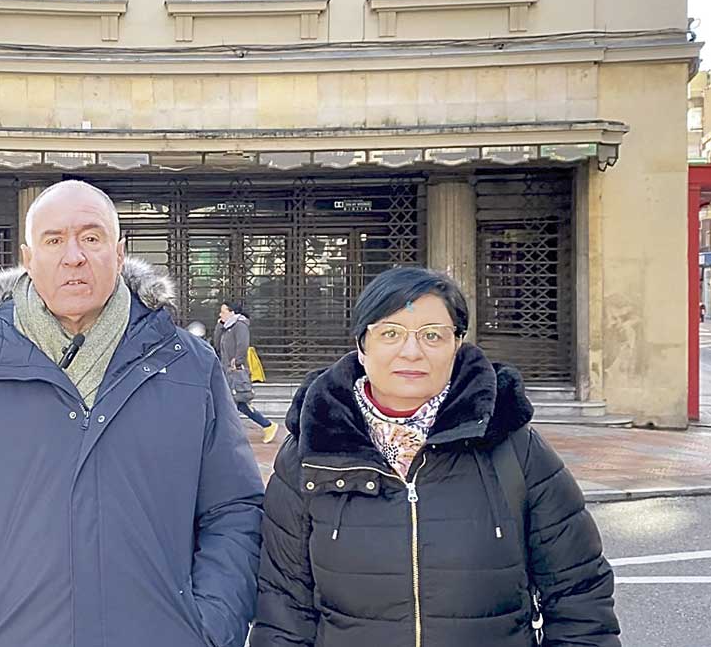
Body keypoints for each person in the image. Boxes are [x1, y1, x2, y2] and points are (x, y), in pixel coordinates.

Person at [0, 180, 264, 647]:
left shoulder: (188, 366)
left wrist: (209, 627)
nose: (74, 255)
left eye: (91, 237)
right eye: (54, 240)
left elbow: (235, 512)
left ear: (120, 253)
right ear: (27, 258)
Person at [251, 267, 620, 647]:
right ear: (362, 347)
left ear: (456, 345)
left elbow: (580, 598)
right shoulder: (311, 455)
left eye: (432, 335)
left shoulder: (516, 450)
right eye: (390, 333)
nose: (412, 352)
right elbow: (283, 609)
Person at [215, 301, 280, 443]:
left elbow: (242, 345)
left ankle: (267, 425)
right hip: (226, 370)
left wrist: (237, 362)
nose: (220, 314)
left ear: (232, 312)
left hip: (236, 371)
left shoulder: (240, 326)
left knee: (239, 402)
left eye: (223, 311)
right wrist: (219, 326)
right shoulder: (227, 328)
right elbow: (217, 344)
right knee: (230, 403)